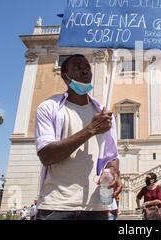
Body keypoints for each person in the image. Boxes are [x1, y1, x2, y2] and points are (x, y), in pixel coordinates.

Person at [35, 54, 122, 220]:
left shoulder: (104, 114)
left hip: (97, 207)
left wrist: (113, 171)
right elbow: (46, 156)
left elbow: (112, 157)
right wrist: (90, 129)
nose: (84, 71)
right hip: (56, 206)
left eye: (87, 68)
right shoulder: (48, 108)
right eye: (77, 67)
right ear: (65, 76)